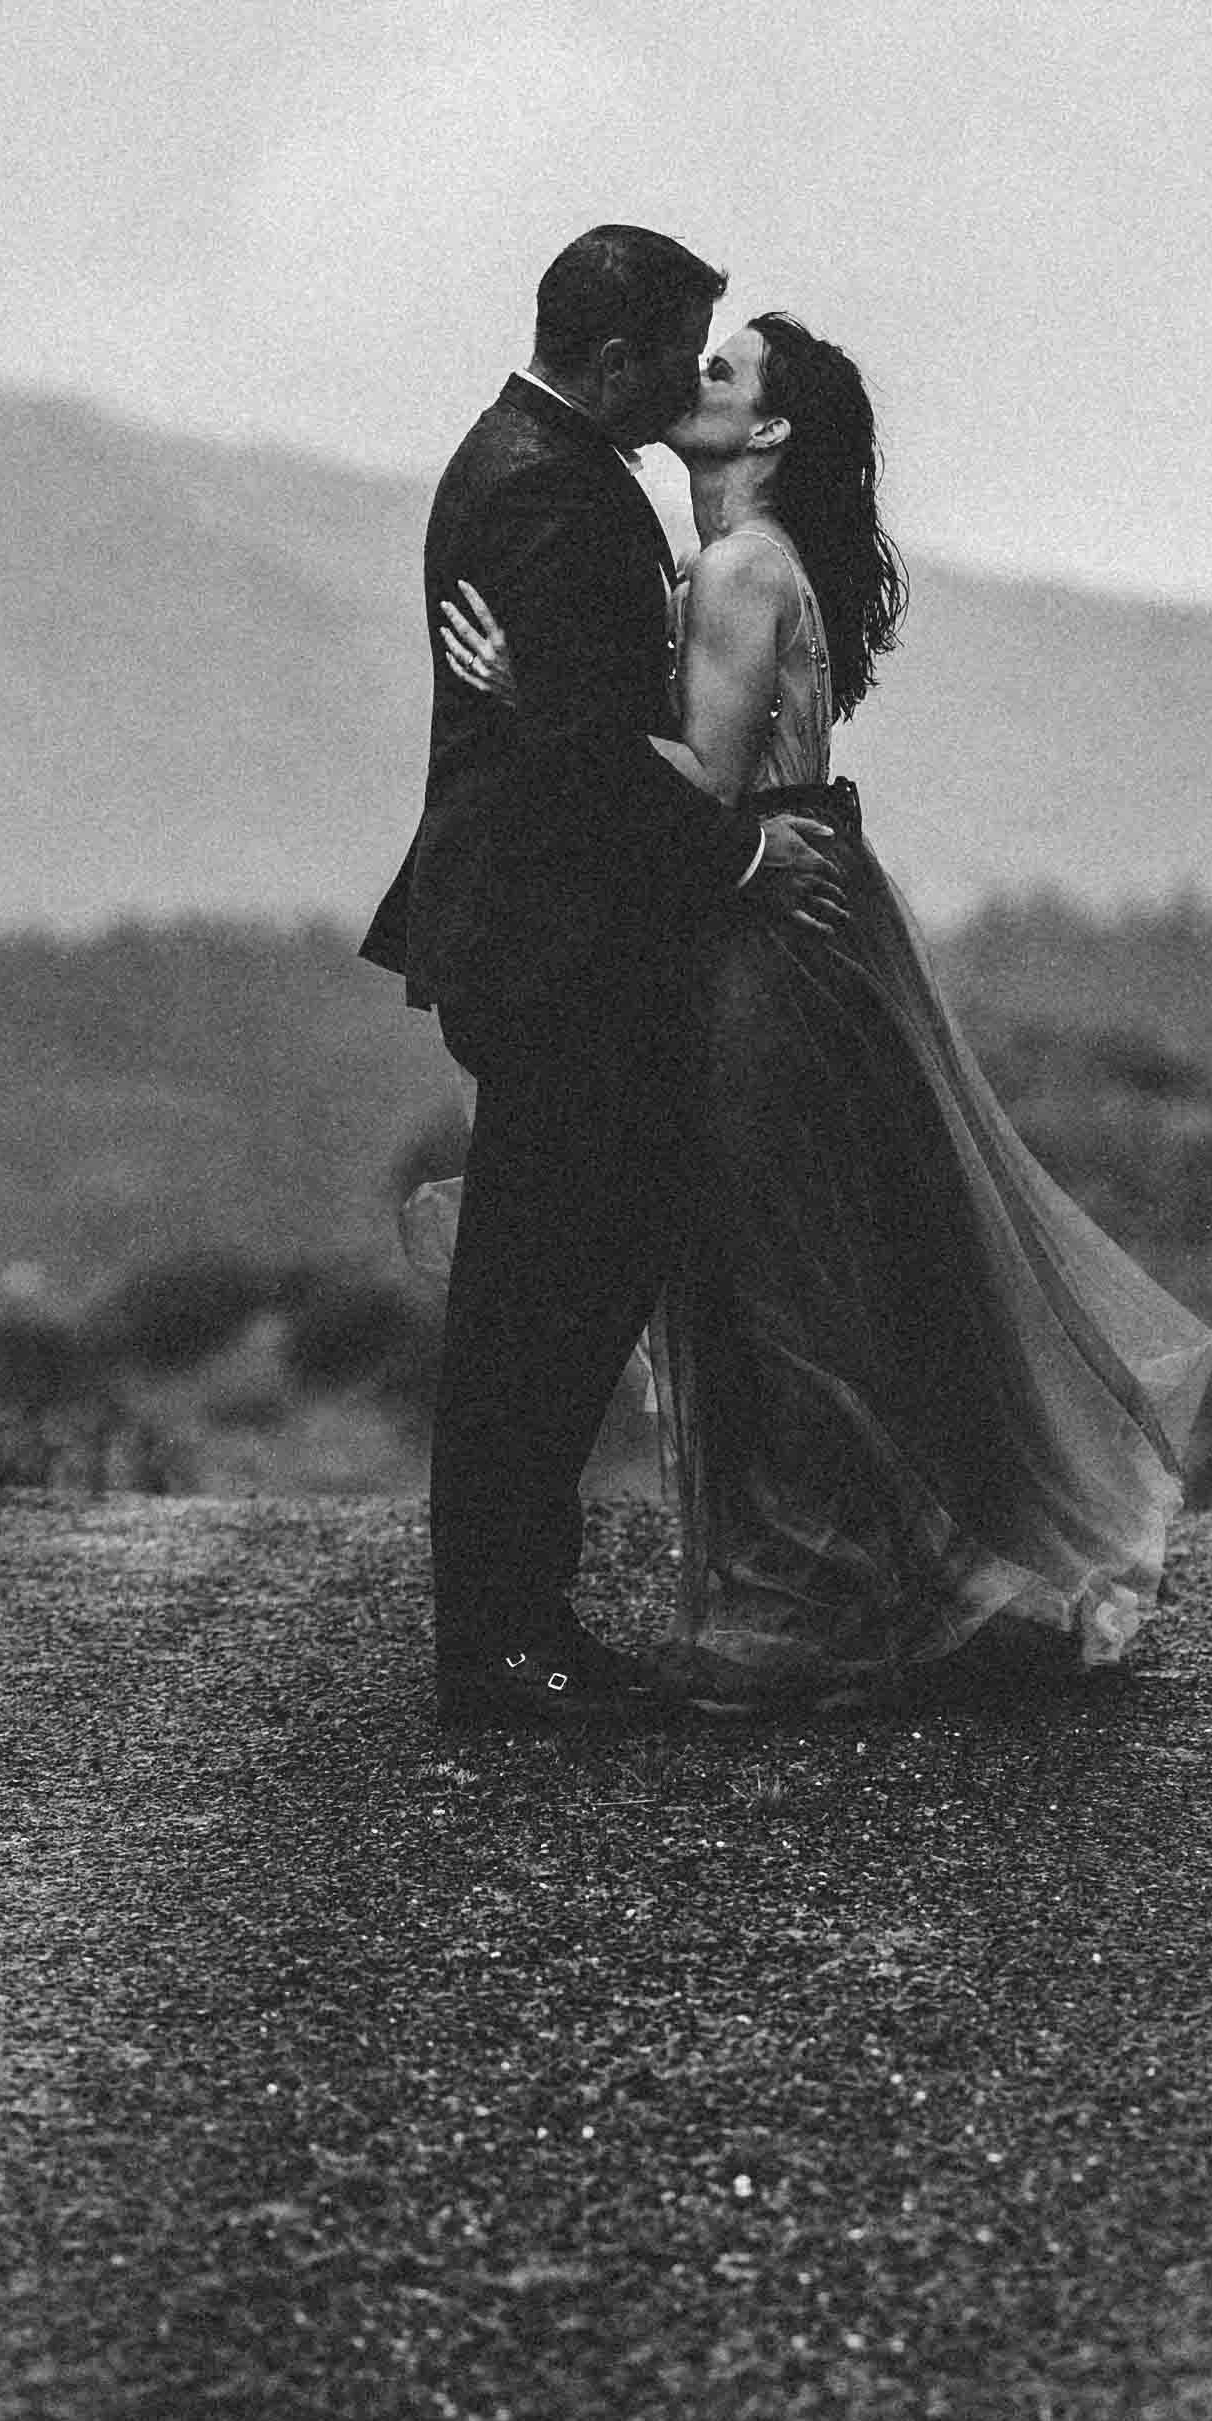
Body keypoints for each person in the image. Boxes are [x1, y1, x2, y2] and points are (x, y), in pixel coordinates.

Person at [436, 308, 1212, 1707]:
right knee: (796, 1259)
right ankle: (842, 1582)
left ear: (774, 430)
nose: (695, 379)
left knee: (777, 1271)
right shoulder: (736, 563)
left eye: (724, 373)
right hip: (779, 920)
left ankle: (831, 1598)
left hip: (761, 944)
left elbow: (708, 786)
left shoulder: (740, 569)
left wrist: (528, 696)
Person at [361, 227, 838, 1731]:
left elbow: (577, 721)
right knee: (539, 1302)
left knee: (553, 1292)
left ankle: (515, 1624)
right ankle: (502, 1641)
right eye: (680, 349)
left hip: (553, 943)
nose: (686, 381)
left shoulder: (542, 469)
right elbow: (581, 758)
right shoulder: (546, 493)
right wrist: (736, 862)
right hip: (554, 951)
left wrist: (548, 709)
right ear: (616, 354)